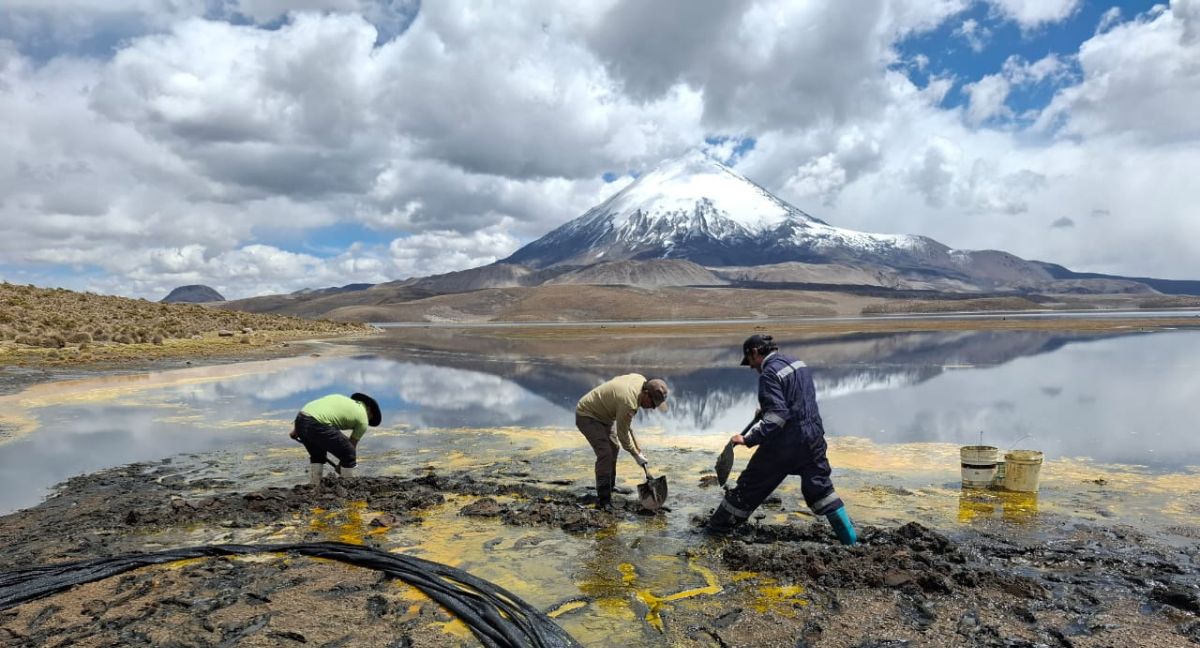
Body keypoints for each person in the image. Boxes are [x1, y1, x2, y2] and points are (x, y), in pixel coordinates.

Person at [706, 335, 856, 545]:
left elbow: (778, 417)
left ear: (755, 352)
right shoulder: (797, 363)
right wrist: (768, 408)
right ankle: (850, 541)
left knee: (749, 486)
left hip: (784, 444)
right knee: (821, 488)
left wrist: (748, 439)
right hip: (813, 437)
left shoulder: (768, 374)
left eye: (749, 361)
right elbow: (796, 399)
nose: (751, 367)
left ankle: (716, 530)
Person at [575, 375, 669, 510]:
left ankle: (610, 486)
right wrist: (636, 455)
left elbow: (617, 379)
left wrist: (621, 413)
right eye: (653, 403)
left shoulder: (640, 379)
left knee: (614, 448)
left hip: (604, 415)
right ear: (646, 394)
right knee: (605, 453)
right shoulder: (628, 403)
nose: (653, 408)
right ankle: (604, 499)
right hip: (587, 415)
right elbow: (623, 436)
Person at [289, 392, 381, 485]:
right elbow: (352, 445)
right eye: (370, 418)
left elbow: (315, 409)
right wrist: (342, 465)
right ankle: (348, 485)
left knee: (317, 455)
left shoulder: (339, 398)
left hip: (301, 418)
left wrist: (297, 430)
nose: (368, 420)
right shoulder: (363, 420)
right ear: (369, 409)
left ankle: (314, 483)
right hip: (318, 423)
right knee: (348, 452)